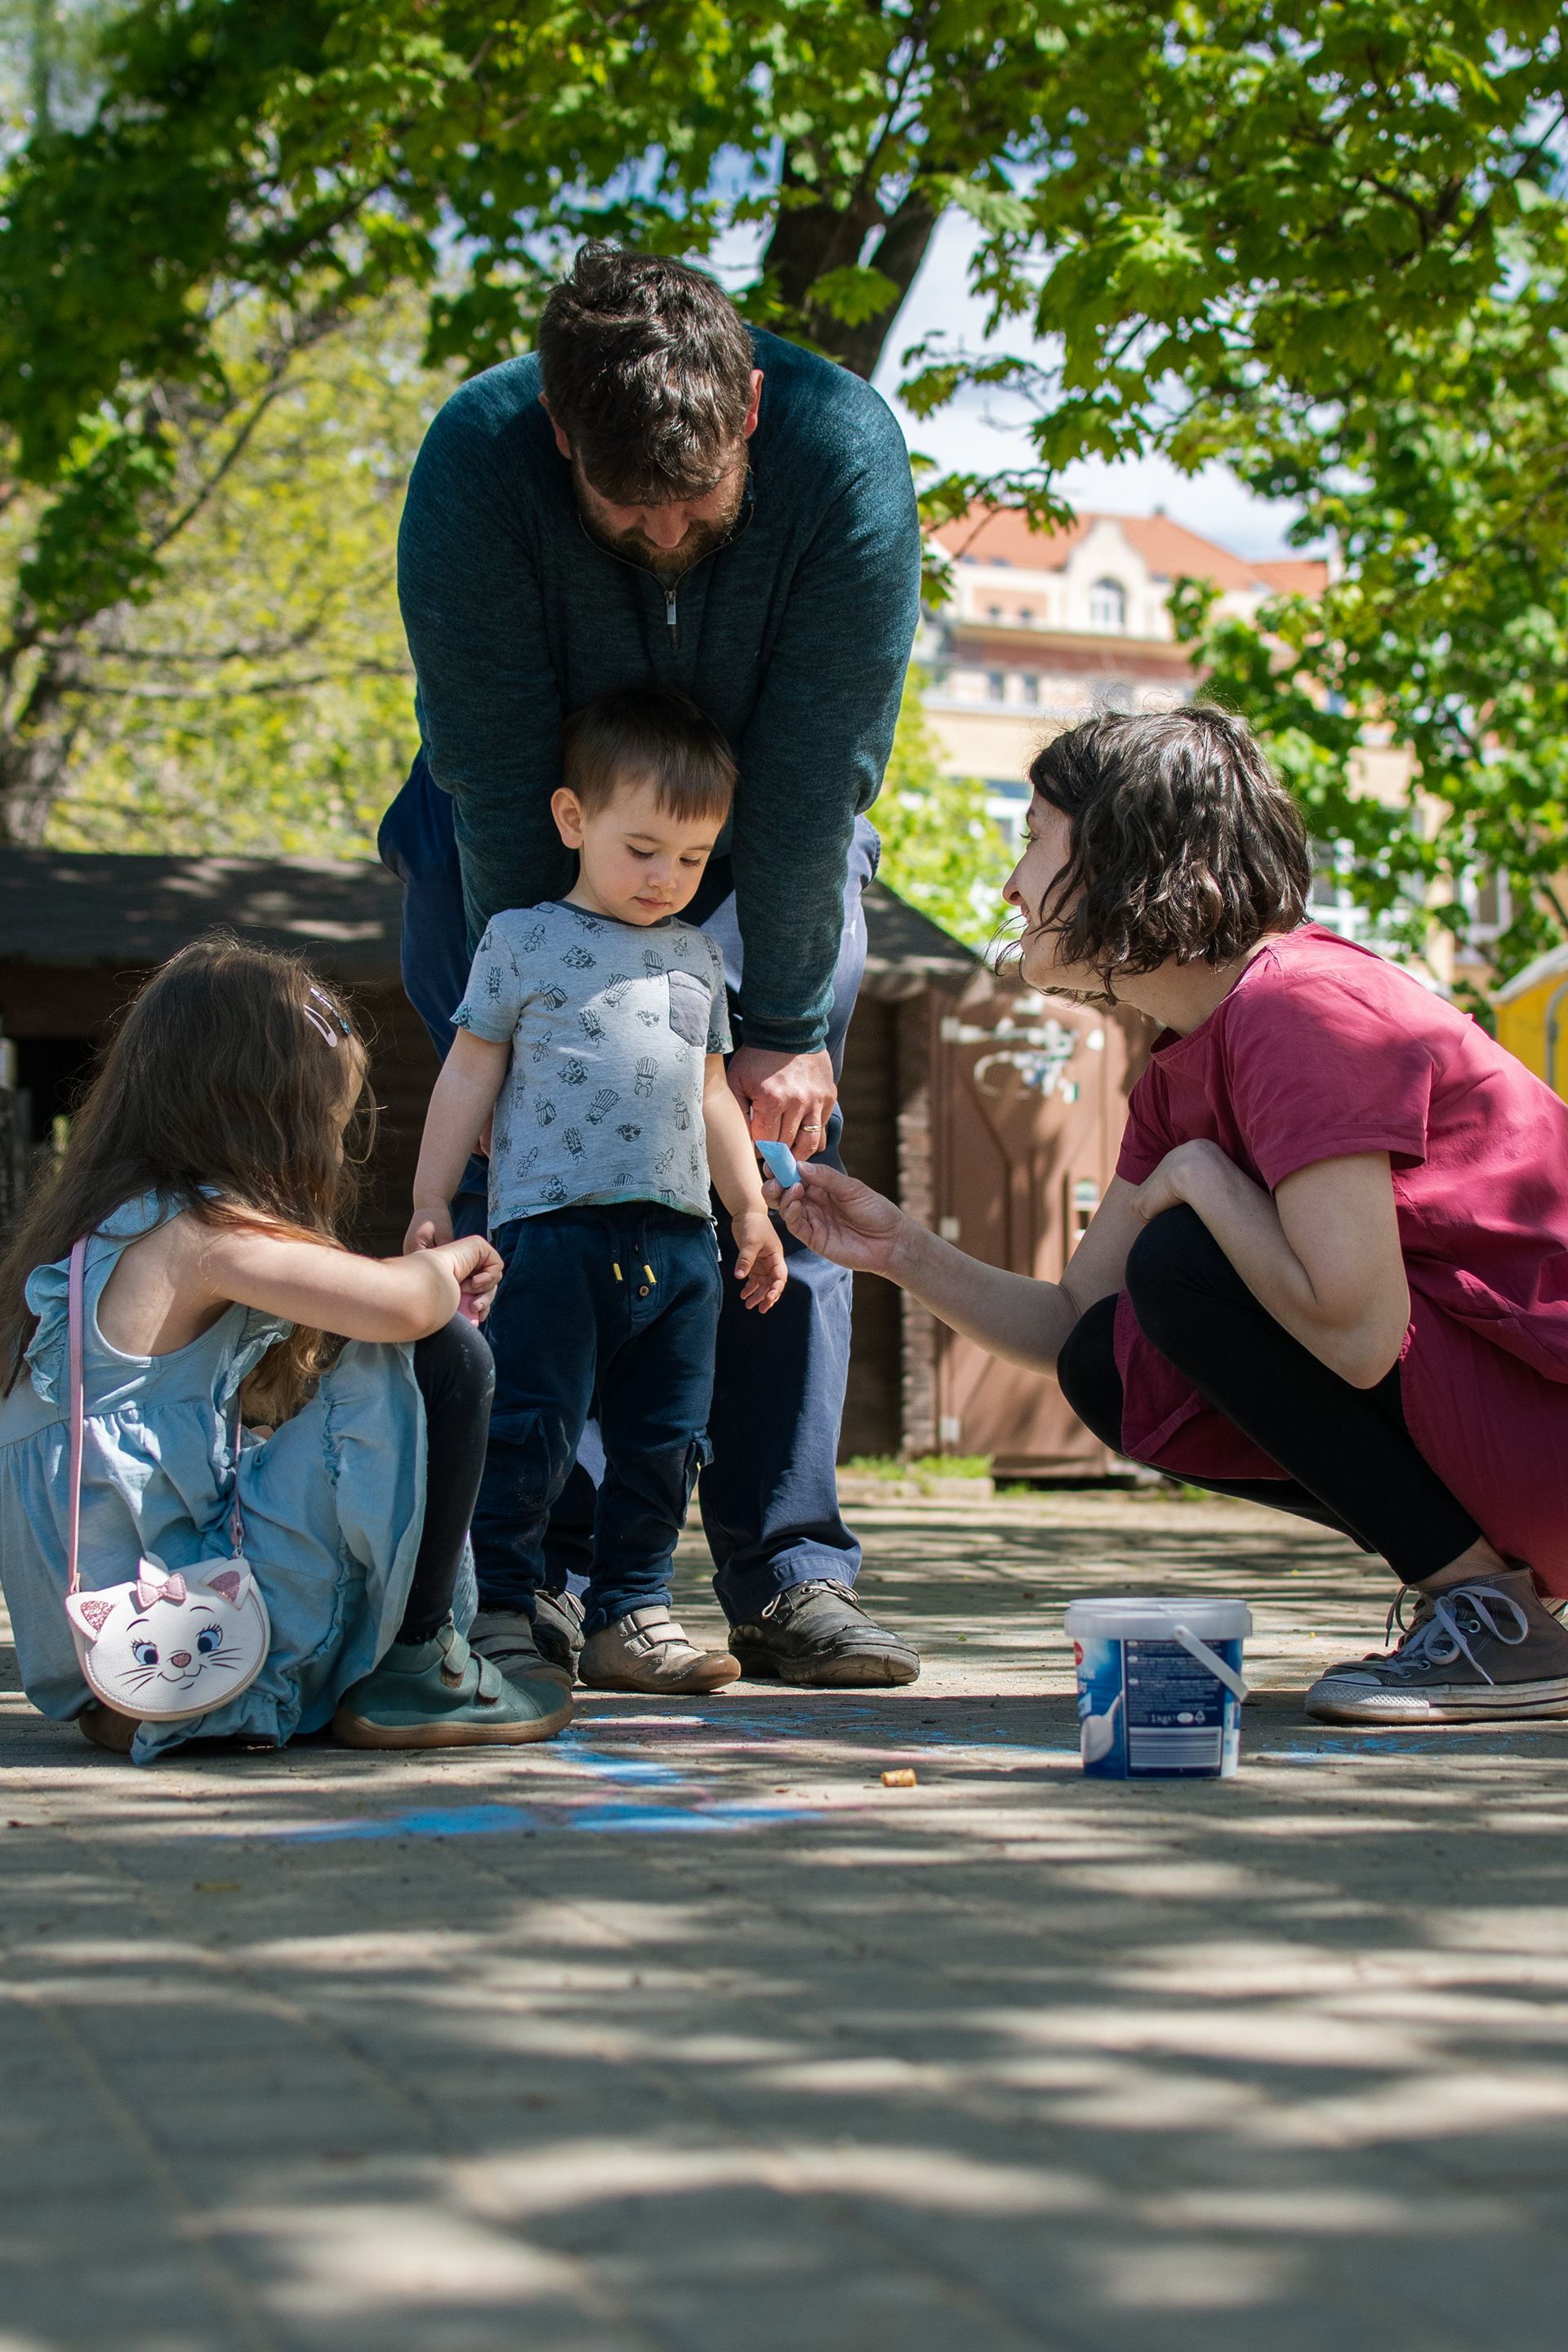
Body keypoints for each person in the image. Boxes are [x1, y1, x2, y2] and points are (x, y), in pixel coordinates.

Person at [765, 706, 1568, 1726]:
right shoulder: (1186, 1060)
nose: (1011, 885)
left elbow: (1362, 1337)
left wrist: (1202, 1176)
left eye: (1033, 839)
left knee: (1183, 1262)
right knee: (1112, 1361)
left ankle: (1489, 1616)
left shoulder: (1301, 1005)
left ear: (1121, 855)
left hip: (1540, 1418)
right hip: (1510, 1430)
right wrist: (900, 1251)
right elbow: (1076, 1324)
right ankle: (1488, 1602)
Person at [380, 240, 922, 1688]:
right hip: (522, 843)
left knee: (772, 1170)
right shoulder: (479, 463)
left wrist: (783, 1024)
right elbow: (497, 780)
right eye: (631, 509)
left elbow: (813, 785)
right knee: (534, 1175)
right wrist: (539, 1014)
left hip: (756, 834)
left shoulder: (843, 455)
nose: (671, 534)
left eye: (699, 500)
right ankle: (541, 1578)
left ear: (750, 409)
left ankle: (788, 1570)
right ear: (563, 438)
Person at [0, 936, 572, 1765]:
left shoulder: (103, 1234)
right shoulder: (202, 1231)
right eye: (328, 1127)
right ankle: (417, 1666)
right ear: (268, 1118)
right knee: (439, 1354)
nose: (332, 1154)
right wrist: (453, 1259)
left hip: (108, 1645)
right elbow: (404, 1304)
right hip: (184, 1621)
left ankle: (169, 1705)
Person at [407, 686, 788, 1695]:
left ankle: (634, 1613)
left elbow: (713, 1094)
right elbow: (468, 1072)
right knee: (529, 1428)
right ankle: (500, 1607)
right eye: (644, 849)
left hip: (681, 1243)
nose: (668, 878)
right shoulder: (520, 939)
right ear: (573, 820)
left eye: (694, 859)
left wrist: (749, 1211)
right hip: (553, 1236)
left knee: (667, 1440)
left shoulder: (698, 954)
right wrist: (433, 1197)